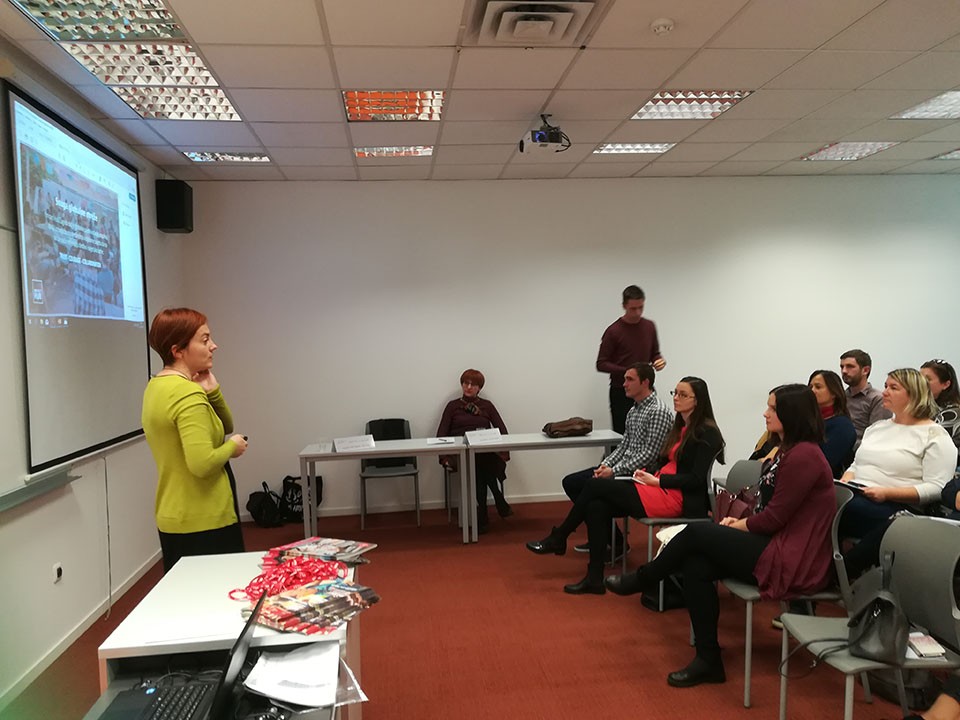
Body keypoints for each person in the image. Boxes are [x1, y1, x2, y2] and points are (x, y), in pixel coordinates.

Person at [604, 384, 835, 688]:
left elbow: (774, 519)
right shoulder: (788, 450)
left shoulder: (804, 456)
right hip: (775, 542)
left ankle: (645, 578)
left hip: (791, 557)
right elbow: (771, 513)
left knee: (697, 532)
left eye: (772, 408)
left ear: (791, 415)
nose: (765, 414)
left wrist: (734, 526)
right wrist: (738, 524)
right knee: (697, 565)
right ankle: (708, 659)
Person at [526, 376, 723, 595]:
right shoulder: (680, 427)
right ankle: (594, 579)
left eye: (683, 394)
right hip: (656, 488)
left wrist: (658, 481)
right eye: (675, 393)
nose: (676, 398)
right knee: (596, 506)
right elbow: (662, 460)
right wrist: (647, 473)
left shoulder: (708, 433)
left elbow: (696, 480)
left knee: (594, 486)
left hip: (676, 497)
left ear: (698, 401)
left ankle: (560, 536)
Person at [142, 308, 248, 574]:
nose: (214, 346)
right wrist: (232, 447)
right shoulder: (187, 394)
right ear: (178, 350)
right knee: (221, 592)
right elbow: (202, 463)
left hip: (174, 516)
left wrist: (212, 392)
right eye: (204, 340)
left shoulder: (156, 387)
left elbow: (224, 426)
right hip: (205, 518)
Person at [839, 368, 958, 578]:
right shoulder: (877, 428)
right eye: (886, 386)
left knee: (827, 509)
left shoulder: (934, 436)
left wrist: (886, 493)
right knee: (822, 503)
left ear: (914, 394)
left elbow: (938, 488)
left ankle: (835, 572)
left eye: (893, 388)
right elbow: (857, 465)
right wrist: (844, 481)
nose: (885, 392)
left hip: (897, 506)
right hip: (856, 494)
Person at [559, 362, 674, 556]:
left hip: (640, 476)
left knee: (588, 490)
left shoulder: (658, 411)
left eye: (630, 379)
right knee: (572, 482)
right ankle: (608, 540)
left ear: (645, 382)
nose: (624, 384)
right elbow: (623, 446)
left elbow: (649, 455)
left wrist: (614, 471)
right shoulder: (634, 410)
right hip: (624, 469)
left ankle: (600, 540)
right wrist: (605, 465)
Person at [436, 368, 510, 534]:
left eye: (473, 384)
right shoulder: (452, 406)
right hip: (460, 453)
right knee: (478, 463)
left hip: (483, 451)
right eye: (465, 383)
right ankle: (497, 499)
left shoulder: (487, 406)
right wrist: (443, 457)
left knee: (479, 463)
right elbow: (441, 434)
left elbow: (502, 430)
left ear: (479, 388)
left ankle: (483, 514)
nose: (468, 387)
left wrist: (504, 452)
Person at [596, 285, 666, 434]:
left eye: (641, 307)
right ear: (624, 306)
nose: (638, 312)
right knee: (622, 435)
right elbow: (601, 363)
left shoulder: (649, 326)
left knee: (650, 432)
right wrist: (630, 372)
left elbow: (655, 353)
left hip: (646, 389)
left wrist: (659, 360)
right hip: (622, 390)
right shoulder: (613, 331)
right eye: (633, 308)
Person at [808, 369, 857, 478]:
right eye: (810, 387)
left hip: (821, 480)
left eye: (818, 387)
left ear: (834, 393)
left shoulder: (842, 427)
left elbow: (822, 465)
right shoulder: (806, 419)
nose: (812, 391)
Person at [840, 348, 891, 444]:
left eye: (850, 366)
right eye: (842, 367)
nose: (844, 371)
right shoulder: (841, 397)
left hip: (861, 449)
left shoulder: (877, 398)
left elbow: (877, 437)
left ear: (865, 370)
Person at [920, 359, 960, 449]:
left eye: (927, 379)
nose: (921, 383)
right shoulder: (924, 409)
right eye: (919, 379)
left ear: (946, 384)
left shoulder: (954, 413)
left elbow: (929, 446)